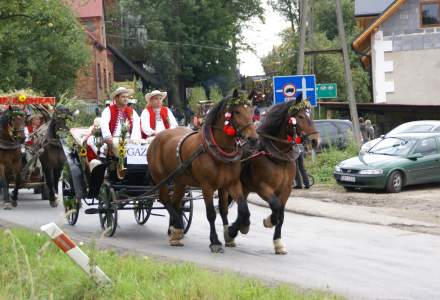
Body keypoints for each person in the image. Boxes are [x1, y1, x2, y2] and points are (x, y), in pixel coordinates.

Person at [101, 87, 141, 151]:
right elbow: (104, 125)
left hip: (130, 139)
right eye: (123, 97)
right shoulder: (108, 110)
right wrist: (108, 137)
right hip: (114, 139)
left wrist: (134, 139)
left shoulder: (132, 111)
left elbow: (136, 127)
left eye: (127, 97)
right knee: (116, 146)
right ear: (116, 98)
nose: (126, 99)